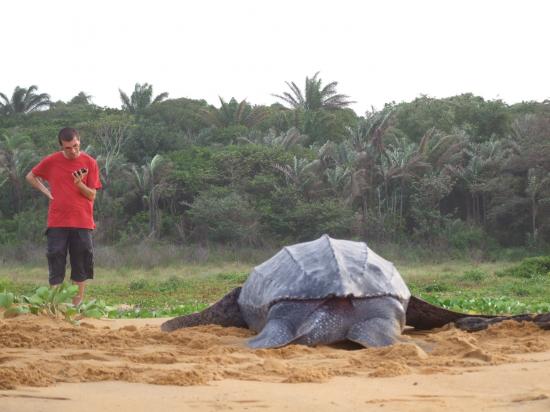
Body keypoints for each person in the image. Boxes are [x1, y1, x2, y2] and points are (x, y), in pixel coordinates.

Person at [26, 127, 102, 305]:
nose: (73, 150)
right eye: (68, 147)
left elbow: (92, 195)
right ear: (61, 146)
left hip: (82, 221)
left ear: (79, 141)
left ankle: (77, 307)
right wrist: (46, 191)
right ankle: (54, 306)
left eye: (76, 145)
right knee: (56, 260)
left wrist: (79, 184)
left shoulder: (90, 162)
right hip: (57, 221)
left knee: (81, 264)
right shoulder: (52, 161)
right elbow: (30, 176)